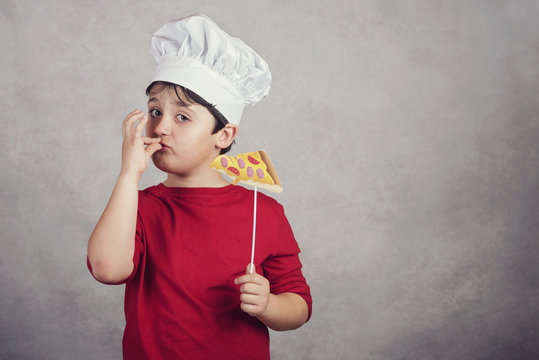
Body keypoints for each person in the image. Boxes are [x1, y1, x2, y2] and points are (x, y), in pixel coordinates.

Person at [87, 14, 312, 360]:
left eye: (182, 116)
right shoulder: (138, 206)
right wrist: (129, 174)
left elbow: (298, 305)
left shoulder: (263, 212)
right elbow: (107, 269)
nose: (160, 127)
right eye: (154, 111)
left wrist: (268, 305)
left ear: (224, 135)